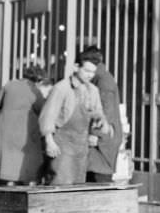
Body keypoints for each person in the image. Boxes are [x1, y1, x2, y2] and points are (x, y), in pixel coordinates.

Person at [39, 48, 112, 185]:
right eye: (86, 71)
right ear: (76, 67)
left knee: (78, 186)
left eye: (92, 72)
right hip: (62, 144)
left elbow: (97, 112)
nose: (90, 75)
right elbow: (48, 115)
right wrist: (49, 141)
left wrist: (96, 130)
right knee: (60, 183)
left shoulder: (93, 90)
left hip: (81, 145)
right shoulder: (61, 88)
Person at [0, 64, 47, 185]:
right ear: (38, 80)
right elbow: (43, 111)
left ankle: (8, 186)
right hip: (23, 135)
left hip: (4, 134)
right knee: (23, 169)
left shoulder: (9, 84)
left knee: (7, 169)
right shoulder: (35, 91)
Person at [83, 45, 123, 183]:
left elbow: (106, 111)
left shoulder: (103, 81)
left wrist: (95, 134)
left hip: (102, 141)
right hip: (103, 138)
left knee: (98, 179)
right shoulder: (102, 78)